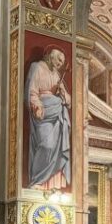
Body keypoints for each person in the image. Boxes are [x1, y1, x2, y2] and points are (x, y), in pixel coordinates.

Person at [27, 47, 72, 190]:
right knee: (46, 145)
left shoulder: (57, 75)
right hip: (43, 112)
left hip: (57, 114)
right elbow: (32, 91)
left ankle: (50, 185)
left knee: (56, 148)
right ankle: (37, 180)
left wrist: (62, 92)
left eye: (62, 62)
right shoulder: (37, 67)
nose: (60, 63)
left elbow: (68, 101)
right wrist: (37, 106)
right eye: (59, 60)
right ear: (51, 57)